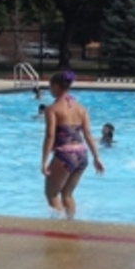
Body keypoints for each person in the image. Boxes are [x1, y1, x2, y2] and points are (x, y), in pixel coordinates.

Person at [42, 71, 104, 219]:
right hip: (82, 155)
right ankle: (71, 224)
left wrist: (44, 161)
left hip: (65, 155)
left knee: (51, 194)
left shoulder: (52, 109)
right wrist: (97, 157)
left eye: (50, 87)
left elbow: (50, 136)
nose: (50, 90)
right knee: (67, 194)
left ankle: (60, 228)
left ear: (56, 87)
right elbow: (88, 135)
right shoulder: (81, 109)